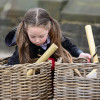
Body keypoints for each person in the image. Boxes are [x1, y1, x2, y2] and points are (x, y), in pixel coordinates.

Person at [5, 8, 91, 65]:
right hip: (35, 79)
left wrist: (80, 54)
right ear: (26, 30)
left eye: (41, 36)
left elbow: (70, 47)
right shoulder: (24, 42)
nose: (37, 40)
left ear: (48, 28)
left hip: (55, 76)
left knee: (52, 61)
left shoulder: (56, 35)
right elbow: (14, 61)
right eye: (33, 36)